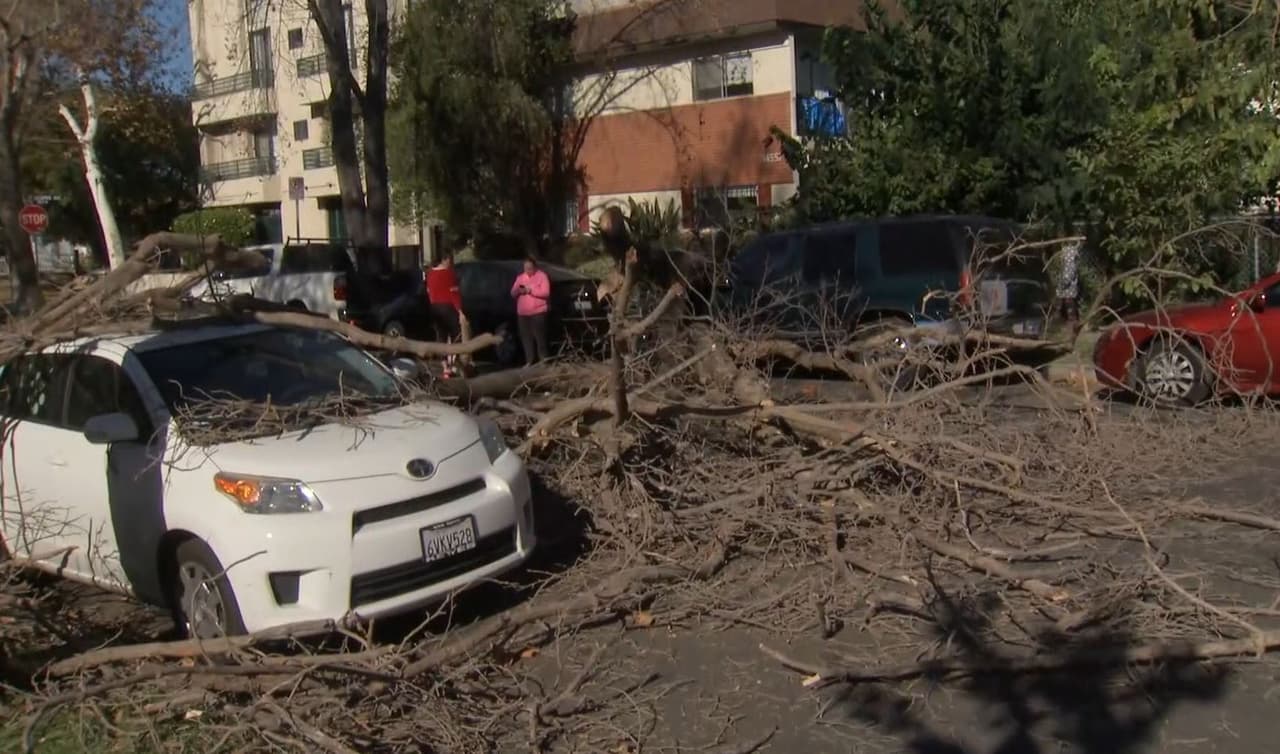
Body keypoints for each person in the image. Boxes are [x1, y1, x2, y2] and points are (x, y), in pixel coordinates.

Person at [425, 252, 467, 378]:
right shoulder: (449, 274)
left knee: (441, 336)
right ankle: (453, 363)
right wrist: (460, 311)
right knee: (456, 334)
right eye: (449, 260)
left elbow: (428, 292)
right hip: (448, 307)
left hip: (434, 308)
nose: (451, 263)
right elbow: (454, 293)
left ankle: (445, 367)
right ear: (444, 260)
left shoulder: (430, 274)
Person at [511, 255, 551, 366]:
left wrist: (530, 290)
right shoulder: (520, 278)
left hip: (538, 312)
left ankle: (544, 359)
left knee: (540, 337)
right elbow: (512, 293)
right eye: (526, 268)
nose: (528, 271)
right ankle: (529, 360)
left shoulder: (542, 276)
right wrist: (519, 291)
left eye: (530, 268)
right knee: (526, 338)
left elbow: (546, 292)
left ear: (535, 267)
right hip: (523, 314)